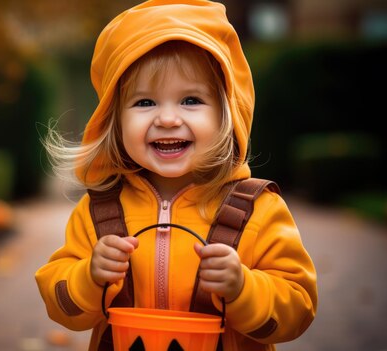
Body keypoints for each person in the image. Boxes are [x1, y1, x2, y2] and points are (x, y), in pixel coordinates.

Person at [35, 1, 318, 350]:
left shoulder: (258, 210)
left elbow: (299, 309)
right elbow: (60, 304)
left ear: (227, 114)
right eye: (144, 103)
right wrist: (88, 277)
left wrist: (244, 288)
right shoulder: (98, 212)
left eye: (190, 100)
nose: (167, 119)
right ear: (114, 120)